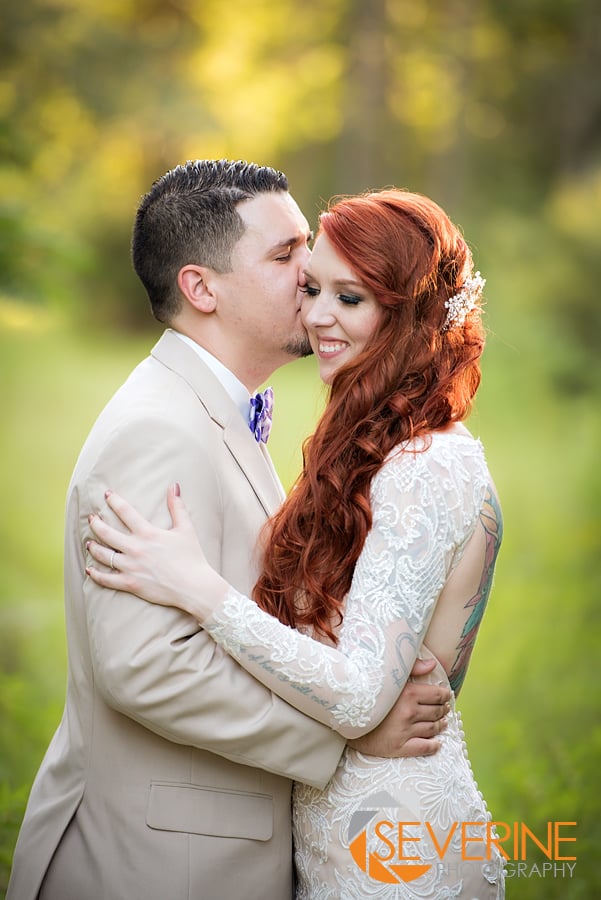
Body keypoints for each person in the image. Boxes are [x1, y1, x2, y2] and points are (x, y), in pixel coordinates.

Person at [7, 163, 450, 900]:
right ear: (201, 288)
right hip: (157, 866)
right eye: (283, 255)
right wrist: (342, 740)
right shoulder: (157, 428)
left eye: (305, 243)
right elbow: (145, 664)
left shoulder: (210, 412)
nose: (311, 268)